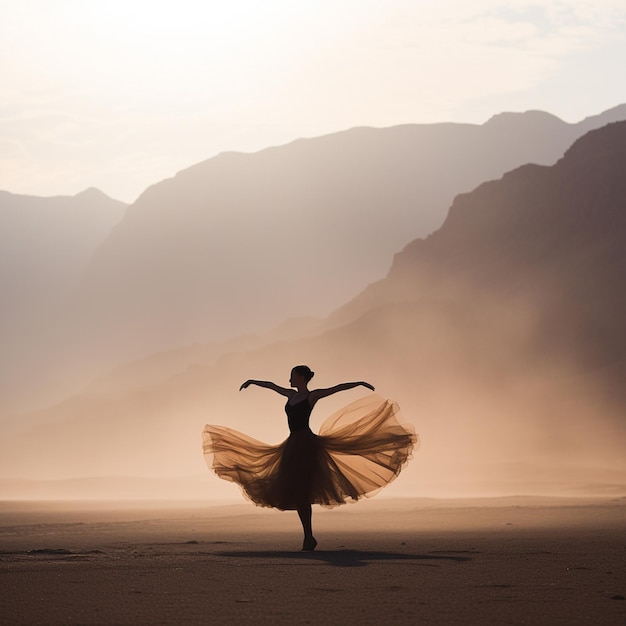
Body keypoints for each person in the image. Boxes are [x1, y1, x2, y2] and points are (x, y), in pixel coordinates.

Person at [202, 365, 417, 551]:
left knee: (303, 491)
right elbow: (271, 385)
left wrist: (358, 383)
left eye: (293, 375)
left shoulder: (311, 396)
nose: (289, 379)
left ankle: (308, 537)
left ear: (302, 378)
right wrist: (252, 382)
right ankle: (308, 536)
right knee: (295, 491)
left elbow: (336, 388)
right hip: (292, 445)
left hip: (306, 445)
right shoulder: (289, 394)